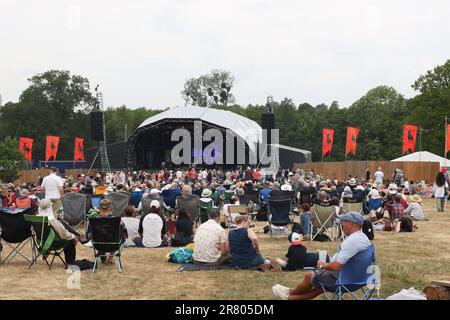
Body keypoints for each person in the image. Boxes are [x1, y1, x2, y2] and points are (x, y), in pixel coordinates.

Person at [272, 212, 371, 300]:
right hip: (360, 279)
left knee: (309, 276)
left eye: (344, 221)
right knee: (320, 286)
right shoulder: (363, 238)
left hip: (345, 281)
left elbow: (336, 266)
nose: (342, 224)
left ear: (352, 223)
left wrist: (323, 265)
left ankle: (290, 293)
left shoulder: (352, 241)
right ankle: (289, 297)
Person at [37, 199, 80, 265]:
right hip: (54, 243)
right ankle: (70, 262)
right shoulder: (52, 220)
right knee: (71, 240)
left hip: (41, 242)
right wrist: (73, 236)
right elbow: (64, 235)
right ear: (50, 208)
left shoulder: (36, 218)